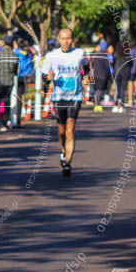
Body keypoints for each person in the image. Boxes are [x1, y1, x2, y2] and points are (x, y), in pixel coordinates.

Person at [41, 28, 90, 176]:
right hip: (58, 97)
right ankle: (63, 151)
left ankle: (68, 162)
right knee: (61, 131)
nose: (66, 41)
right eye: (63, 38)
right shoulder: (52, 56)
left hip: (75, 97)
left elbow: (87, 68)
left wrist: (88, 77)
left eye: (68, 38)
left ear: (73, 39)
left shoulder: (80, 53)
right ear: (59, 40)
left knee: (70, 130)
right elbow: (44, 79)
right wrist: (48, 80)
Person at [0, 36, 19, 131]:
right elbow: (17, 71)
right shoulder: (15, 55)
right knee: (6, 102)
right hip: (9, 82)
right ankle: (5, 122)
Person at [89, 43, 112, 111]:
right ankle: (97, 105)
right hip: (102, 76)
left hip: (94, 75)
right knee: (99, 91)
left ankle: (97, 104)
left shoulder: (95, 54)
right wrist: (109, 76)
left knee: (96, 90)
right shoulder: (105, 56)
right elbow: (107, 67)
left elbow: (91, 64)